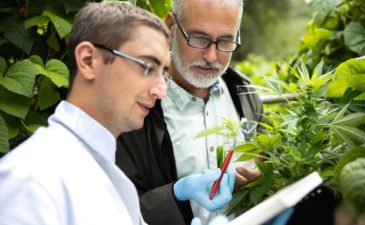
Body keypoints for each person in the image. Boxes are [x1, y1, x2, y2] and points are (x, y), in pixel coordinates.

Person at [0, 2, 234, 225]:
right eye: (146, 67)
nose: (161, 91)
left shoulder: (115, 178)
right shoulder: (29, 179)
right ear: (89, 60)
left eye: (162, 71)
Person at [116, 0, 265, 224]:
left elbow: (266, 163)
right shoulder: (130, 107)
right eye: (199, 38)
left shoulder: (244, 94)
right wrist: (175, 194)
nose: (211, 56)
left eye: (225, 40)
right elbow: (113, 209)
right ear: (169, 27)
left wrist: (260, 176)